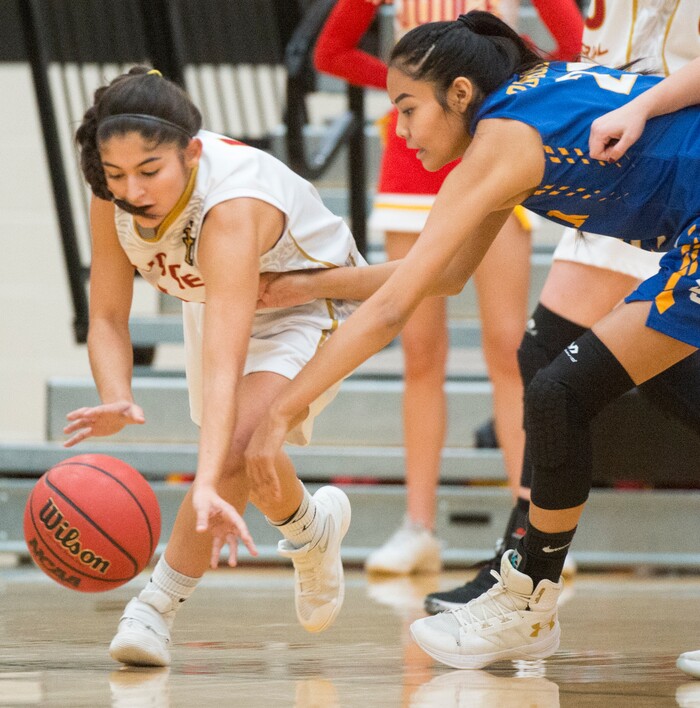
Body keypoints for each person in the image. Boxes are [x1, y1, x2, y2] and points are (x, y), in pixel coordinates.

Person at [247, 12, 700, 669]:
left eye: (407, 109)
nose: (400, 131)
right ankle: (527, 600)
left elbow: (390, 313)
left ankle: (525, 599)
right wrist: (309, 286)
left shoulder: (499, 141)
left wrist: (279, 414)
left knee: (559, 390)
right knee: (565, 387)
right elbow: (448, 271)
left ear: (460, 93)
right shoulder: (518, 114)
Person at [64, 66, 369, 667]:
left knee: (232, 448)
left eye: (150, 171)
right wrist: (117, 391)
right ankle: (312, 529)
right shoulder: (114, 192)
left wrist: (204, 483)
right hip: (221, 299)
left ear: (192, 153)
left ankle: (154, 608)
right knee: (245, 450)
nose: (134, 189)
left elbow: (225, 362)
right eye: (117, 174)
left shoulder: (229, 209)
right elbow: (106, 317)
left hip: (308, 302)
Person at [424, 0, 700, 614]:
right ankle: (525, 567)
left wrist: (638, 106)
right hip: (615, 156)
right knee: (582, 368)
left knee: (565, 367)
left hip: (663, 155)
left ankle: (523, 569)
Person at [313, 0, 582, 575]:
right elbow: (329, 52)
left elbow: (573, 42)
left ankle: (532, 524)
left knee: (510, 346)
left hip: (491, 147)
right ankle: (418, 528)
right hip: (411, 161)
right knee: (419, 351)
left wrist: (508, 94)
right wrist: (409, 95)